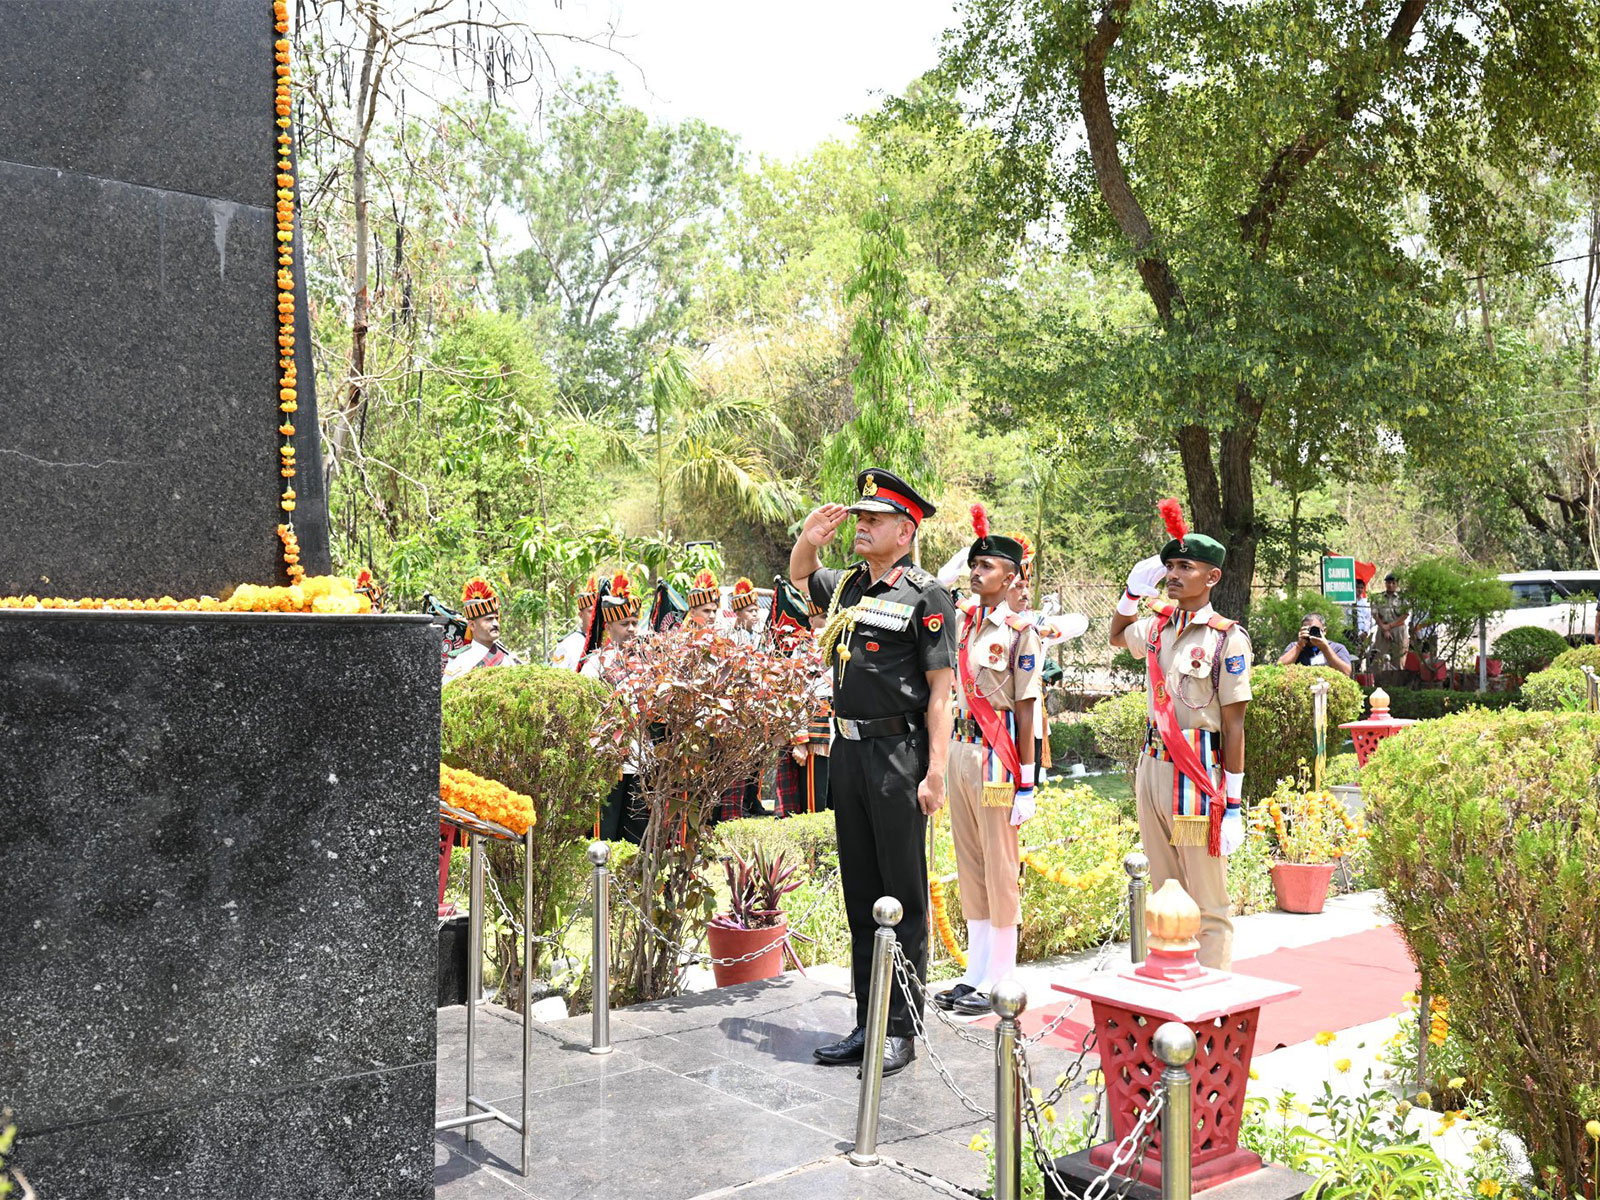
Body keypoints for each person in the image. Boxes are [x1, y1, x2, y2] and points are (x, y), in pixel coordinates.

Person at [790, 467, 956, 1078]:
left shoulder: (926, 596)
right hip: (852, 755)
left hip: (899, 755)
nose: (861, 526)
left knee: (902, 898)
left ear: (906, 531)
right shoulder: (849, 589)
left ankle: (902, 1030)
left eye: (874, 520)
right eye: (859, 518)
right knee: (861, 894)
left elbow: (942, 693)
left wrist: (935, 772)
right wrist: (809, 539)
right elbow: (801, 576)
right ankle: (868, 1020)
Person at [1108, 499, 1251, 971]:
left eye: (1184, 566)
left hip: (1197, 773)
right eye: (1169, 565)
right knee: (1164, 890)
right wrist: (1132, 590)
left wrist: (1232, 804)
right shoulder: (1157, 627)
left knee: (1207, 901)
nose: (1172, 573)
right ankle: (1170, 992)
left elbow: (1234, 723)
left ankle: (1210, 1004)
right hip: (1152, 766)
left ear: (1211, 577)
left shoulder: (1226, 638)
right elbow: (1117, 635)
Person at [933, 505, 1042, 1016]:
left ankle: (1002, 974)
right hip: (959, 750)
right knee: (970, 861)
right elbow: (935, 590)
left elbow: (1025, 706)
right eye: (975, 566)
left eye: (988, 566)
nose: (977, 573)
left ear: (1013, 576)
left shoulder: (1021, 630)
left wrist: (1028, 782)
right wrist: (955, 566)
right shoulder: (964, 619)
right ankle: (975, 970)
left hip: (999, 759)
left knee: (1000, 866)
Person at [583, 575, 648, 843]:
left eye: (635, 622)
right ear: (609, 626)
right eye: (625, 624)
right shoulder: (595, 665)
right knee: (606, 835)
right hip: (610, 763)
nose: (632, 629)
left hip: (642, 762)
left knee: (637, 837)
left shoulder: (650, 661)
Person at [771, 578, 832, 817]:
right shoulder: (803, 649)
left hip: (841, 733)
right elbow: (795, 694)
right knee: (814, 804)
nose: (829, 622)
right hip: (815, 735)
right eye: (824, 617)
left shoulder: (843, 643)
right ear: (811, 620)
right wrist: (799, 739)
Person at [443, 578, 517, 680]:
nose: (495, 624)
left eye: (496, 619)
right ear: (472, 625)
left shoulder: (507, 659)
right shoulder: (460, 660)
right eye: (489, 619)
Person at [1277, 612, 1353, 678]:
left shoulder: (1337, 648)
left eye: (1314, 629)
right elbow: (1279, 668)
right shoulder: (1294, 647)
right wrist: (1299, 646)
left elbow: (1346, 673)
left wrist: (1325, 648)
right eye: (1307, 629)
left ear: (1324, 631)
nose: (1311, 633)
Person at [550, 576, 600, 670]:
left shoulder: (608, 643)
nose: (595, 616)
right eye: (591, 612)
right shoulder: (568, 644)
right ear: (581, 615)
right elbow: (557, 677)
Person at [1370, 574, 1409, 671]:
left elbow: (1405, 615)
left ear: (1397, 584)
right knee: (1381, 658)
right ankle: (1381, 682)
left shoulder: (1402, 598)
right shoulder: (1378, 597)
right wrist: (1384, 628)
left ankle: (1398, 684)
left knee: (1399, 658)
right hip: (1382, 629)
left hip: (1398, 629)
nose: (1390, 585)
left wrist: (1390, 626)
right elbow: (1375, 614)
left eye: (1393, 583)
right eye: (1388, 583)